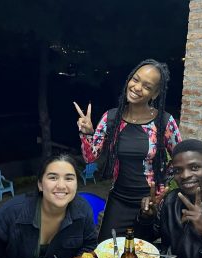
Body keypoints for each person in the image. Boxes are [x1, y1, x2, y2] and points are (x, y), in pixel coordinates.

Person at [74, 59, 181, 242]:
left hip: (148, 204)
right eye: (135, 79)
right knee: (106, 250)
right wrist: (87, 134)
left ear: (154, 94)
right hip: (119, 201)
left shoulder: (164, 122)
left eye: (147, 86)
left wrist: (161, 186)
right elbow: (91, 157)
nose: (137, 87)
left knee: (141, 257)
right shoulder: (111, 118)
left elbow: (180, 160)